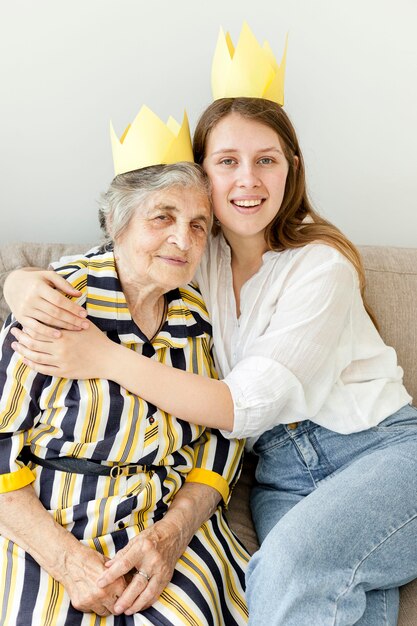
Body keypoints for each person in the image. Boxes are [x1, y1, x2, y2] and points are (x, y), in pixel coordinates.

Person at [5, 96, 417, 626]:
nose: (248, 179)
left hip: (380, 451)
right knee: (325, 594)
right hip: (284, 476)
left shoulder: (321, 267)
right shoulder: (198, 258)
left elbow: (243, 409)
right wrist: (17, 284)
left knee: (287, 571)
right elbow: (127, 250)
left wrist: (101, 357)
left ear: (292, 169)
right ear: (203, 175)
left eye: (266, 159)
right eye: (227, 161)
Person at [0, 161, 249, 625]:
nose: (183, 239)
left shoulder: (198, 317)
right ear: (118, 221)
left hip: (164, 520)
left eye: (198, 225)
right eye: (162, 217)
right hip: (51, 522)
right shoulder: (58, 300)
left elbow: (223, 437)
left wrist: (172, 533)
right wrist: (67, 561)